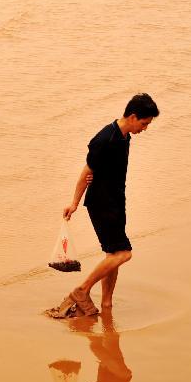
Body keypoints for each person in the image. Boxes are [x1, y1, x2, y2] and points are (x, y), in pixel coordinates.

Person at [62, 93, 160, 315]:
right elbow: (87, 171)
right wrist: (74, 203)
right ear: (133, 117)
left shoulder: (125, 137)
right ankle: (82, 290)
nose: (145, 128)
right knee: (123, 254)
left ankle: (107, 304)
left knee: (112, 256)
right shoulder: (104, 139)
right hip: (102, 203)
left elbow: (103, 171)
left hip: (116, 202)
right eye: (144, 123)